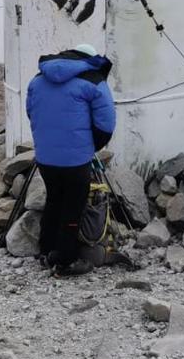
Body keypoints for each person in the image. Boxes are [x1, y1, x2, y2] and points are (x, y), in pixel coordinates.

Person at [25, 43, 116, 276]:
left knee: (54, 200)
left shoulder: (37, 80)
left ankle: (46, 250)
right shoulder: (94, 81)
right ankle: (66, 260)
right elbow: (106, 124)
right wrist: (89, 147)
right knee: (73, 207)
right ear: (89, 59)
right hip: (76, 160)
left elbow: (31, 112)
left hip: (45, 158)